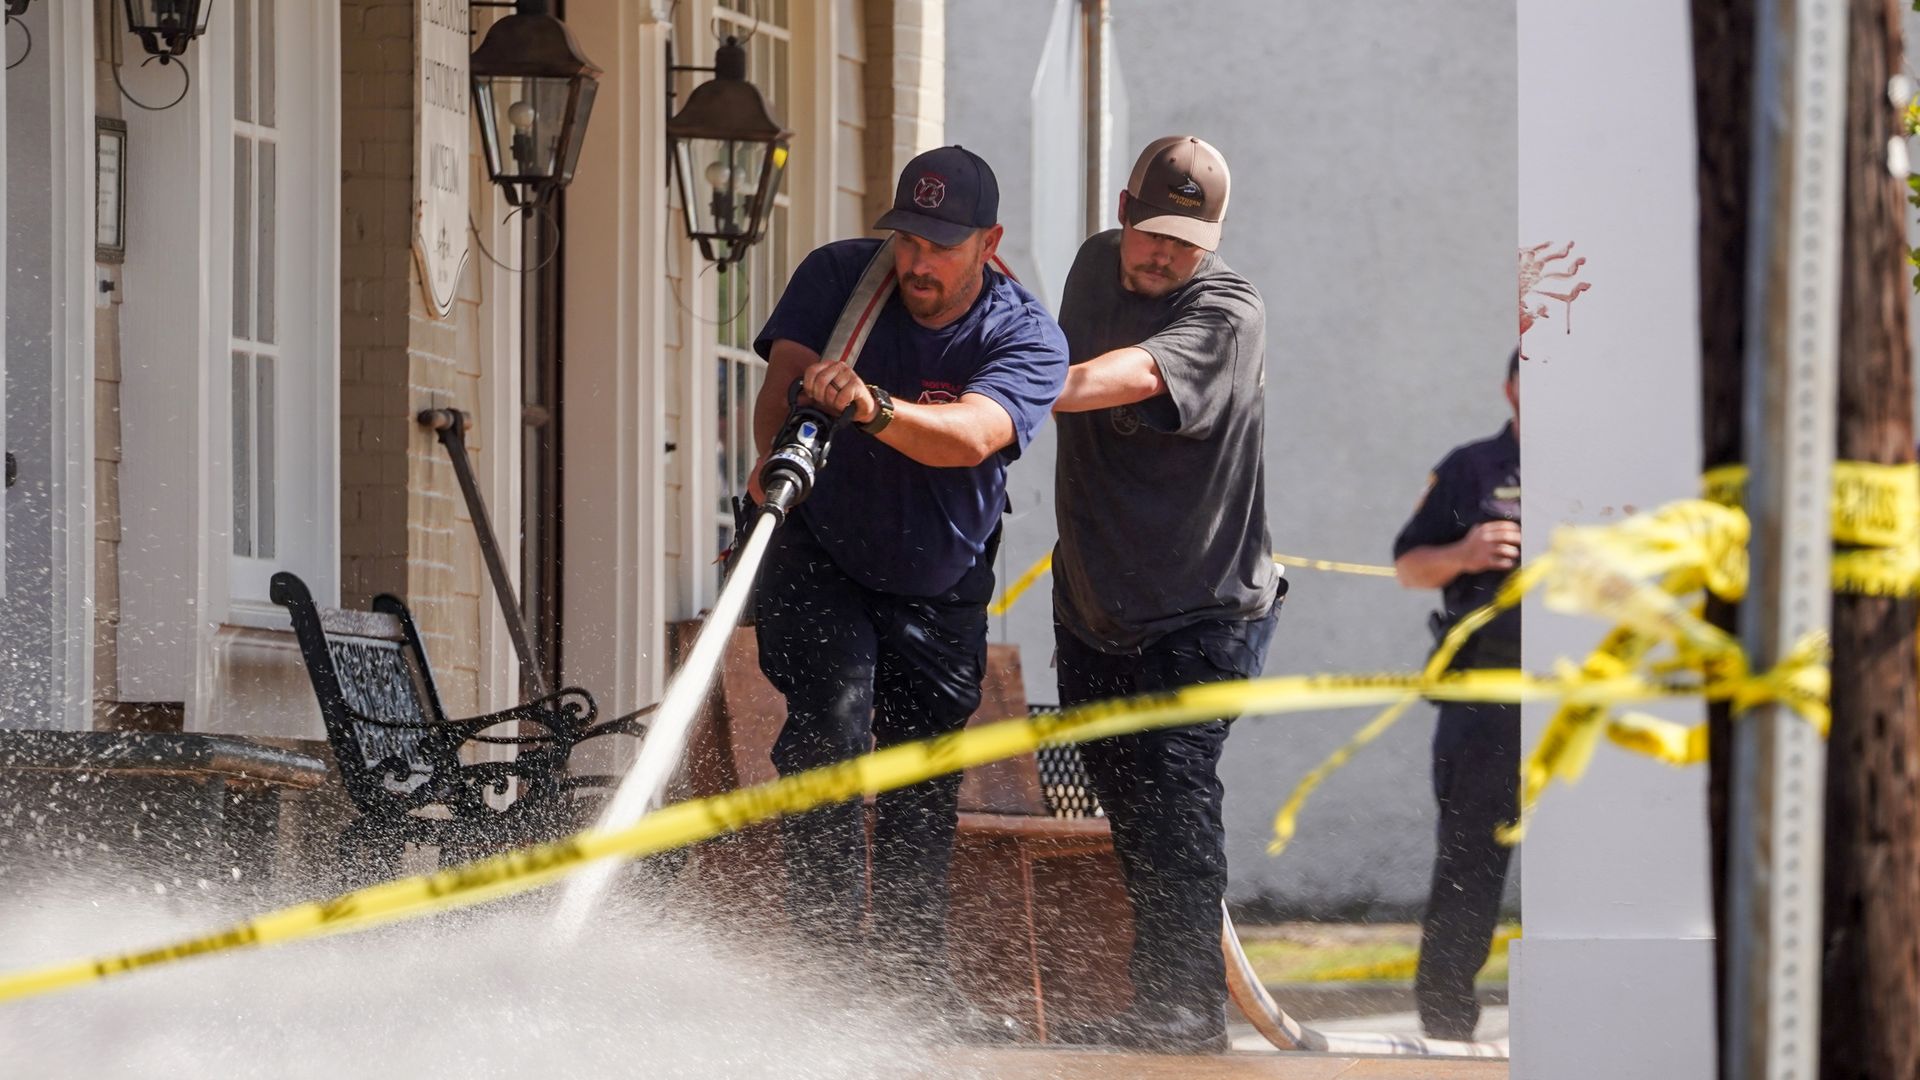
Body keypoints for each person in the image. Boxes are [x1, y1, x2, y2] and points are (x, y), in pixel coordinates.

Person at [746, 145, 1068, 1020]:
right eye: (908, 239)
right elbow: (778, 391)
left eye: (941, 245)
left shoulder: (1024, 334)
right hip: (822, 546)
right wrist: (776, 448)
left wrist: (872, 406)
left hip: (941, 574)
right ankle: (822, 979)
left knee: (921, 777)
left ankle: (908, 984)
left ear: (988, 243)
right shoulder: (840, 279)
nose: (918, 263)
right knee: (830, 729)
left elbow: (972, 436)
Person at [1049, 135, 1283, 1054]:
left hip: (1205, 608)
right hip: (1095, 605)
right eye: (1152, 233)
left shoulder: (1228, 308)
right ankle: (1156, 1003)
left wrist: (1025, 389)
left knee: (1175, 796)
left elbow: (1138, 373)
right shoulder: (1091, 267)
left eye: (1186, 242)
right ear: (1122, 212)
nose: (1163, 255)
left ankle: (1186, 1015)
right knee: (1129, 802)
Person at [1391, 349, 1522, 1042]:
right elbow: (1409, 566)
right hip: (1485, 698)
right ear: (1510, 389)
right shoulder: (1472, 468)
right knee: (1470, 856)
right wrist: (1465, 555)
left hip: (1585, 694)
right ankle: (1445, 1019)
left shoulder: (1607, 466)